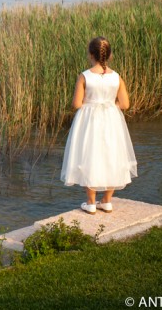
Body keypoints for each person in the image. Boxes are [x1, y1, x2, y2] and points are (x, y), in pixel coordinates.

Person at [59, 36, 138, 213]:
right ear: (109, 56)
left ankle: (91, 202)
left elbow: (77, 104)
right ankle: (107, 200)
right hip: (111, 118)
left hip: (89, 120)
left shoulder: (85, 76)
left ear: (91, 54)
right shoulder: (117, 77)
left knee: (90, 155)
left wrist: (92, 103)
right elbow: (125, 104)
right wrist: (110, 105)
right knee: (112, 155)